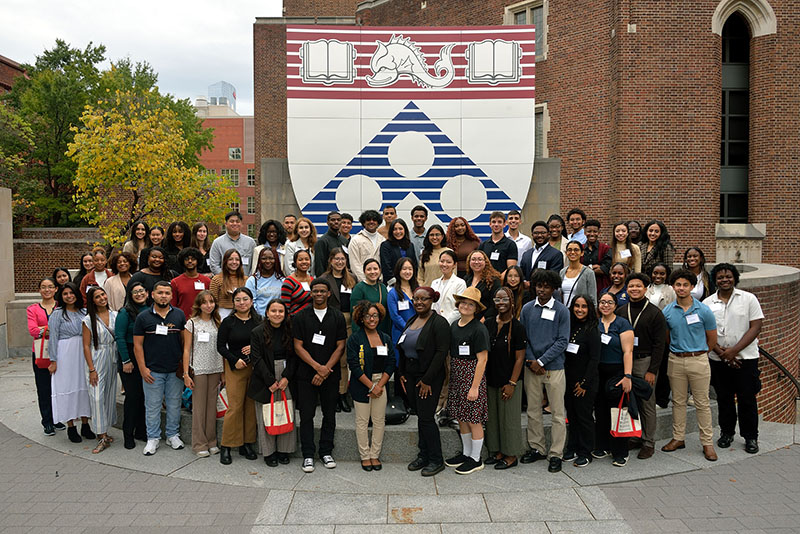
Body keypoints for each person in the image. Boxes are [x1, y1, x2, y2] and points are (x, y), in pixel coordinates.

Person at [704, 263, 764, 454]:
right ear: (715, 280)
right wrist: (723, 354)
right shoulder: (708, 303)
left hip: (745, 358)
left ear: (735, 278)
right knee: (724, 398)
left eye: (728, 276)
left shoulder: (748, 299)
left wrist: (733, 351)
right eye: (720, 277)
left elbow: (755, 327)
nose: (724, 280)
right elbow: (705, 331)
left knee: (747, 399)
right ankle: (726, 433)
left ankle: (750, 437)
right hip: (718, 359)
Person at [661, 268, 718, 461]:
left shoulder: (703, 310)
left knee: (702, 403)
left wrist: (699, 352)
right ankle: (678, 438)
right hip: (676, 359)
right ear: (673, 287)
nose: (682, 288)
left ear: (692, 287)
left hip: (699, 359)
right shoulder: (667, 311)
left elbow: (712, 339)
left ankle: (707, 442)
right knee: (678, 401)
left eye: (686, 285)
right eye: (678, 284)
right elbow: (667, 337)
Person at [292, 279, 347, 472]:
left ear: (329, 293)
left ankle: (326, 451)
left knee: (329, 414)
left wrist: (325, 370)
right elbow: (298, 346)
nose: (319, 294)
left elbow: (340, 346)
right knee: (306, 415)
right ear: (311, 293)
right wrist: (317, 367)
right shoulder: (300, 317)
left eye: (323, 291)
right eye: (315, 291)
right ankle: (308, 454)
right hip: (306, 374)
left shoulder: (337, 316)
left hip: (330, 375)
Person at [520, 269, 569, 473]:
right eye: (539, 286)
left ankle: (556, 453)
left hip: (554, 368)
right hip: (532, 368)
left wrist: (541, 361)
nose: (542, 290)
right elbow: (525, 338)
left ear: (554, 288)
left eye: (546, 286)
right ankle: (537, 448)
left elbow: (562, 341)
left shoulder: (562, 311)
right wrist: (533, 361)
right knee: (533, 411)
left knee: (557, 413)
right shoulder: (527, 309)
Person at [399, 287, 451, 476]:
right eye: (416, 299)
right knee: (421, 417)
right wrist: (402, 372)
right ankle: (423, 455)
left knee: (427, 418)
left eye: (424, 299)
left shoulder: (439, 323)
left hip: (429, 378)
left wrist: (427, 380)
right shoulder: (412, 320)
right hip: (411, 375)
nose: (419, 302)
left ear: (432, 300)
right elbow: (403, 346)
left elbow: (441, 352)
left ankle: (436, 460)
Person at [133, 281, 187, 456]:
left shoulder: (179, 315)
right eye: (160, 292)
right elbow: (138, 345)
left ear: (172, 296)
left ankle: (172, 435)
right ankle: (153, 438)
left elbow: (185, 342)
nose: (164, 296)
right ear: (152, 294)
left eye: (167, 293)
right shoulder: (143, 317)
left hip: (174, 370)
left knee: (174, 404)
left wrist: (184, 368)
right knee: (153, 406)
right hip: (152, 370)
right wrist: (142, 368)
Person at [616, 273, 667, 460]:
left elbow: (660, 345)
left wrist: (652, 370)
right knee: (630, 400)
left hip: (645, 361)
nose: (634, 289)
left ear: (646, 289)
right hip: (625, 361)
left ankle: (648, 441)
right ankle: (635, 436)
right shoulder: (622, 311)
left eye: (638, 286)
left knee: (647, 402)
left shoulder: (655, 313)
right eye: (631, 286)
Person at [443, 287, 490, 475]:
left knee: (474, 419)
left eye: (471, 304)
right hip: (457, 376)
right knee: (461, 417)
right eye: (463, 302)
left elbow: (483, 359)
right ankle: (466, 453)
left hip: (472, 376)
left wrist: (475, 386)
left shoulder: (479, 329)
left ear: (476, 308)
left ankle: (476, 458)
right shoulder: (454, 325)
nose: (466, 306)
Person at [347, 301, 395, 471]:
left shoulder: (385, 338)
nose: (371, 319)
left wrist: (379, 385)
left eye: (375, 315)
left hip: (381, 383)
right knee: (361, 421)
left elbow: (391, 362)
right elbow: (353, 365)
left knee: (379, 421)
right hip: (362, 384)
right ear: (361, 318)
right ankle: (365, 456)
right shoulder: (354, 339)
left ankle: (375, 454)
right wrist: (371, 387)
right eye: (367, 316)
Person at [249, 298, 297, 466]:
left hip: (286, 374)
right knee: (266, 414)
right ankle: (269, 452)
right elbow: (256, 358)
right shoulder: (257, 332)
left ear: (285, 314)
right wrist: (270, 380)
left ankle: (284, 450)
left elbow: (294, 356)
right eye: (274, 311)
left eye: (281, 311)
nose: (277, 314)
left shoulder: (290, 330)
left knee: (285, 411)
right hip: (264, 376)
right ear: (267, 313)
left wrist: (286, 377)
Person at [217, 287, 261, 465]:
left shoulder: (259, 321)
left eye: (245, 299)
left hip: (254, 367)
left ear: (251, 301)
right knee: (234, 407)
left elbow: (265, 342)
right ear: (233, 303)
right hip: (235, 367)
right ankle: (227, 446)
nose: (242, 303)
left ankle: (247, 444)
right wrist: (234, 360)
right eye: (238, 300)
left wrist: (253, 347)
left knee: (250, 406)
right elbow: (220, 347)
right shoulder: (228, 322)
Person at [483, 287, 525, 470]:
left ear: (512, 301)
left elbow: (520, 358)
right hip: (491, 378)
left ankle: (511, 454)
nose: (500, 303)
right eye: (497, 299)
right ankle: (497, 451)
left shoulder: (517, 327)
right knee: (493, 419)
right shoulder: (489, 323)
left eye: (504, 299)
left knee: (509, 419)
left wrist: (512, 383)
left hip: (509, 380)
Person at [48, 282, 94, 443]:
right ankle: (71, 426)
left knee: (84, 387)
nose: (69, 296)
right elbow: (52, 338)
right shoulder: (57, 314)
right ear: (61, 296)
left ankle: (85, 424)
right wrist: (53, 360)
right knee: (68, 387)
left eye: (71, 293)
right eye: (65, 294)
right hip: (65, 353)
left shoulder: (84, 312)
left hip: (83, 352)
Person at [592, 292, 634, 466]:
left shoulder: (622, 324)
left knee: (617, 412)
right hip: (597, 373)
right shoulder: (595, 324)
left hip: (617, 372)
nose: (606, 305)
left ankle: (620, 451)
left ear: (615, 305)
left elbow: (628, 352)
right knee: (600, 410)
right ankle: (602, 445)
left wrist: (627, 376)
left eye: (609, 302)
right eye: (602, 302)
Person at [182, 291, 225, 457]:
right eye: (205, 302)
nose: (209, 305)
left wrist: (222, 372)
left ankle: (212, 441)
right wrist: (186, 373)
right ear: (199, 305)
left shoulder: (217, 322)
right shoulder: (192, 323)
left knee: (211, 408)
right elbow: (186, 350)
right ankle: (199, 443)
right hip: (198, 369)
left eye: (212, 302)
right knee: (199, 409)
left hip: (215, 368)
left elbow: (221, 349)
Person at [316, 247, 356, 412]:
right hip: (330, 322)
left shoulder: (352, 278)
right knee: (331, 358)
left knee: (344, 360)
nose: (340, 262)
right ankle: (331, 395)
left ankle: (342, 394)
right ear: (331, 261)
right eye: (336, 259)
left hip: (348, 322)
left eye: (342, 259)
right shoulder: (324, 279)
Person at [563, 295, 600, 467]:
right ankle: (573, 447)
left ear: (589, 309)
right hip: (569, 380)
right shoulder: (569, 326)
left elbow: (594, 359)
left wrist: (584, 383)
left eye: (584, 306)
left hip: (585, 383)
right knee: (572, 416)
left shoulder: (592, 329)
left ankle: (586, 452)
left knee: (584, 417)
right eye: (577, 306)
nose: (579, 309)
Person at [81, 286, 118, 453]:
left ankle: (105, 431)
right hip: (97, 358)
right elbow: (86, 346)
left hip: (113, 356)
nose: (102, 298)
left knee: (109, 395)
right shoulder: (89, 319)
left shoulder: (115, 315)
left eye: (103, 294)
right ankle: (101, 435)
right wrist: (91, 369)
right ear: (92, 301)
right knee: (96, 397)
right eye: (97, 296)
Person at [114, 281, 148, 449]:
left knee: (143, 396)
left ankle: (141, 431)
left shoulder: (150, 310)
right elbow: (119, 337)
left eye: (141, 291)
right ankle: (128, 434)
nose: (139, 294)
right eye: (135, 292)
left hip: (145, 357)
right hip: (129, 357)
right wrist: (126, 361)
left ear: (147, 293)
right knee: (133, 397)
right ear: (130, 295)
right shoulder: (124, 313)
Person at [27, 278, 63, 436]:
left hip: (61, 351)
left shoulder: (61, 307)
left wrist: (45, 329)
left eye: (50, 287)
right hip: (41, 353)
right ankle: (47, 421)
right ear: (39, 290)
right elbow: (33, 330)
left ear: (56, 289)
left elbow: (66, 327)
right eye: (43, 287)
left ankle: (58, 418)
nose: (47, 290)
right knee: (44, 387)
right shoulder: (32, 309)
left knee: (59, 386)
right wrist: (51, 329)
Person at [647, 263, 677, 409]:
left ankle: (662, 398)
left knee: (664, 366)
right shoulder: (647, 289)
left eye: (662, 273)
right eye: (655, 273)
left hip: (664, 333)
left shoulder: (671, 290)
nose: (658, 276)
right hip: (648, 334)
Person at [351, 258, 391, 335]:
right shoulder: (359, 288)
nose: (372, 272)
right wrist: (358, 335)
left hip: (383, 330)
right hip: (366, 331)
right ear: (364, 272)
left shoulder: (383, 287)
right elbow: (355, 315)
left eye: (375, 269)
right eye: (369, 269)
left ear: (380, 271)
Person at [170, 247, 211, 318]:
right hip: (183, 320)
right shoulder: (175, 282)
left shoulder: (207, 281)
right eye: (186, 259)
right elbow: (173, 305)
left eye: (193, 259)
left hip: (203, 319)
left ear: (198, 261)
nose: (190, 261)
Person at [387, 257, 418, 345]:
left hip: (419, 332)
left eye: (410, 269)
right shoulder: (392, 293)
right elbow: (395, 316)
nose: (407, 272)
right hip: (400, 332)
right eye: (404, 269)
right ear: (398, 271)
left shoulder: (418, 289)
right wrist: (409, 329)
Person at [210, 249, 247, 319]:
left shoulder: (246, 279)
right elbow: (213, 301)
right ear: (225, 261)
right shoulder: (217, 279)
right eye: (230, 259)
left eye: (237, 260)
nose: (234, 262)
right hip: (222, 315)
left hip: (241, 314)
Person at [349, 210, 386, 282]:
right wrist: (365, 281)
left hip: (380, 282)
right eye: (368, 220)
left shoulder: (383, 240)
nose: (371, 222)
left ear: (378, 223)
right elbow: (354, 264)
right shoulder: (356, 240)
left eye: (374, 220)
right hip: (362, 283)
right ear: (363, 223)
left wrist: (380, 278)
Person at [246, 247, 284, 316]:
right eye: (264, 258)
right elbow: (251, 302)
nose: (267, 261)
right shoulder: (252, 280)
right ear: (259, 260)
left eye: (271, 258)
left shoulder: (282, 280)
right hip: (258, 319)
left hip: (278, 318)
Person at [463, 250, 501, 318]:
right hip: (467, 317)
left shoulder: (493, 280)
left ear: (485, 262)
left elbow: (494, 304)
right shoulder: (466, 279)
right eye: (473, 259)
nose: (476, 262)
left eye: (480, 259)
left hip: (486, 320)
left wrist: (483, 320)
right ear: (469, 262)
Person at [431, 250, 466, 324]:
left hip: (451, 323)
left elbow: (460, 308)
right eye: (442, 261)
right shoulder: (434, 283)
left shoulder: (460, 283)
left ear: (454, 265)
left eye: (448, 262)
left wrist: (444, 323)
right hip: (433, 323)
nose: (444, 264)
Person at [559, 241, 597, 307]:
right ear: (566, 253)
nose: (572, 252)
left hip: (580, 312)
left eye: (576, 250)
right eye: (569, 250)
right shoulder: (562, 272)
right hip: (565, 311)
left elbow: (592, 297)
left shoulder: (588, 273)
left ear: (582, 253)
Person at [379, 218, 418, 284]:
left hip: (409, 282)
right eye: (395, 229)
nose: (398, 232)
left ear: (405, 230)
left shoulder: (410, 245)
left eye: (400, 229)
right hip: (392, 283)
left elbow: (414, 264)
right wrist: (396, 282)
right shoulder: (385, 245)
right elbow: (386, 267)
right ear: (391, 231)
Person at [582, 219, 612, 295]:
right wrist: (595, 267)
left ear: (599, 233)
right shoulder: (580, 248)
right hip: (583, 285)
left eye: (595, 231)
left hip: (601, 286)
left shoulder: (606, 249)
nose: (592, 234)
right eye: (589, 231)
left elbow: (605, 269)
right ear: (585, 232)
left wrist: (587, 268)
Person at [314, 211, 349, 276]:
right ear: (327, 222)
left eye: (338, 220)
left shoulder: (345, 241)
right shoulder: (322, 241)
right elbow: (319, 266)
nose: (336, 222)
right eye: (333, 220)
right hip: (328, 279)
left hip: (343, 278)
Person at [281, 249, 314, 316]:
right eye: (300, 260)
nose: (304, 262)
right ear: (295, 263)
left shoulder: (312, 280)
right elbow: (285, 306)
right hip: (295, 319)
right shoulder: (289, 282)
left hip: (311, 319)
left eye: (307, 259)